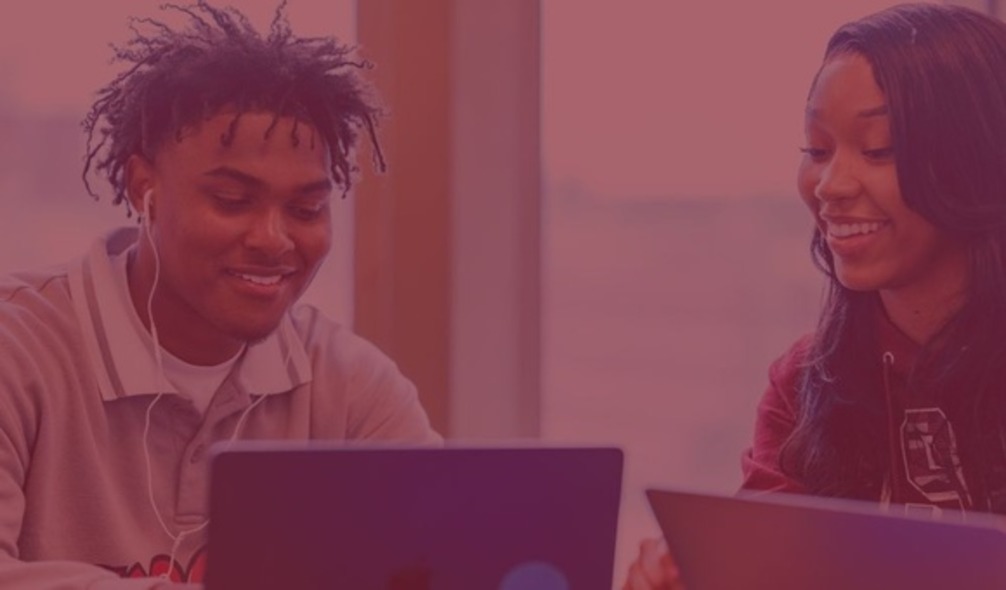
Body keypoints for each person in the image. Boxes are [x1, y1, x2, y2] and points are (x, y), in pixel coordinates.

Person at [0, 1, 439, 588]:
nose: (273, 239)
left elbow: (444, 564)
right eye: (232, 201)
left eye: (306, 209)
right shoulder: (18, 352)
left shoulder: (352, 389)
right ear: (143, 186)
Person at [623, 3, 1006, 588]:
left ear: (976, 157)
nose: (831, 185)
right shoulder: (805, 382)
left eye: (877, 149)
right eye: (817, 150)